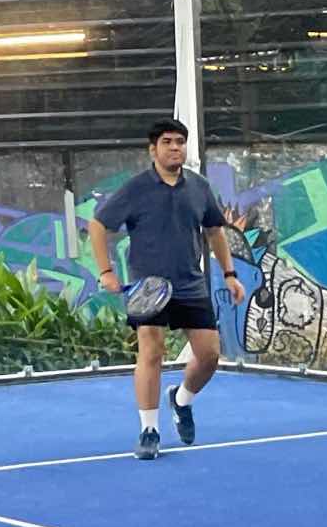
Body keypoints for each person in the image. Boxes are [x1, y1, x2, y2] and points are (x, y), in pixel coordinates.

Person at [88, 119, 245, 461]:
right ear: (153, 149)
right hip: (148, 287)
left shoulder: (199, 187)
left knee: (209, 355)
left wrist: (230, 274)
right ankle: (149, 430)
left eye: (180, 142)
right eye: (167, 142)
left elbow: (215, 231)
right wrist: (106, 271)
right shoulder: (136, 189)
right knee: (152, 352)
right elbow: (98, 225)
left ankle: (181, 400)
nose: (175, 147)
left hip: (190, 284)